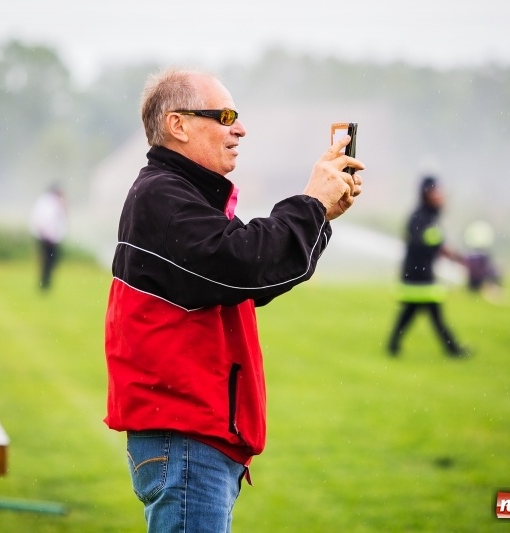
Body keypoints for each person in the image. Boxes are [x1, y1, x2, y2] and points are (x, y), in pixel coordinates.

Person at [103, 68, 364, 532]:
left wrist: (320, 214)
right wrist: (310, 202)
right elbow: (243, 261)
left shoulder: (176, 195)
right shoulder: (163, 196)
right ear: (178, 125)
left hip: (193, 438)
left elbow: (255, 278)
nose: (240, 128)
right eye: (224, 116)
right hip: (185, 438)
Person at [386, 176, 470, 357]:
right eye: (435, 192)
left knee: (411, 312)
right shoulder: (420, 217)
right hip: (419, 275)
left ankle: (393, 346)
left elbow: (435, 243)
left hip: (420, 273)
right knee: (432, 314)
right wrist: (450, 253)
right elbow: (428, 243)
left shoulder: (429, 216)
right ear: (426, 193)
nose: (439, 196)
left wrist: (452, 255)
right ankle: (453, 350)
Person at [29, 184, 67, 291]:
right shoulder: (50, 203)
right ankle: (45, 283)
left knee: (48, 261)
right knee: (48, 261)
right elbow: (47, 220)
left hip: (48, 236)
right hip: (48, 237)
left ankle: (45, 283)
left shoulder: (46, 202)